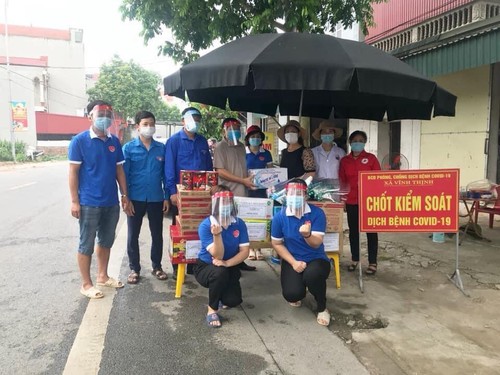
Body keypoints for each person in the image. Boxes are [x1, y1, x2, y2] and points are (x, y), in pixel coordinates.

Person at [68, 100, 129, 299]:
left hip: (110, 201)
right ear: (90, 117)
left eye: (108, 114)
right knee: (86, 243)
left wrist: (124, 195)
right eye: (100, 114)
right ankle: (86, 284)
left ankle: (102, 276)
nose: (105, 118)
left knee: (106, 241)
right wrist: (74, 201)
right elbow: (73, 173)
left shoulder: (114, 142)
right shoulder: (79, 141)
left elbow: (119, 170)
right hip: (88, 202)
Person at [271, 178, 331, 326]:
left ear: (305, 196)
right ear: (286, 195)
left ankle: (322, 307)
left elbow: (317, 243)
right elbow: (277, 243)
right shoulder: (280, 217)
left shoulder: (316, 213)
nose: (295, 197)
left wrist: (307, 235)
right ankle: (300, 288)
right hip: (293, 259)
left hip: (316, 258)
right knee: (292, 295)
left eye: (299, 194)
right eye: (292, 193)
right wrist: (293, 262)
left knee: (313, 275)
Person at [165, 107, 213, 277]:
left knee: (198, 229)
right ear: (183, 121)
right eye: (192, 118)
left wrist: (210, 188)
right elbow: (169, 168)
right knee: (180, 229)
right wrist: (171, 192)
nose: (196, 122)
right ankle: (177, 264)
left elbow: (208, 167)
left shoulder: (202, 141)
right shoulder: (174, 141)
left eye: (198, 119)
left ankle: (194, 263)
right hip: (181, 195)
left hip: (200, 196)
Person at [123, 111, 170, 284]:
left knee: (157, 234)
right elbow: (123, 176)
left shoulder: (161, 148)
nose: (149, 127)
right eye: (145, 124)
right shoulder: (128, 149)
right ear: (137, 126)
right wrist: (125, 198)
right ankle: (134, 269)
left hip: (156, 198)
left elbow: (165, 175)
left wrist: (166, 196)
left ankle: (157, 266)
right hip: (135, 198)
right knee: (132, 234)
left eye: (151, 123)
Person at [195, 185, 250, 328]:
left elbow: (245, 252)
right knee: (219, 272)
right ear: (214, 203)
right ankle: (211, 309)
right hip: (207, 266)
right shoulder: (206, 225)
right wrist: (217, 235)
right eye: (221, 201)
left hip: (228, 265)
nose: (225, 205)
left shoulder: (239, 223)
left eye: (228, 201)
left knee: (233, 301)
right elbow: (217, 255)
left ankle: (220, 294)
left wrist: (228, 263)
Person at [213, 118, 257, 271]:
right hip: (227, 193)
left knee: (239, 227)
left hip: (243, 191)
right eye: (230, 127)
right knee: (226, 227)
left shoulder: (240, 147)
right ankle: (226, 261)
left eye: (237, 127)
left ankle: (239, 260)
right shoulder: (220, 147)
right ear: (223, 130)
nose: (234, 130)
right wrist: (242, 180)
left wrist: (249, 179)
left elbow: (242, 168)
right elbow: (220, 171)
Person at [339, 130, 381, 275]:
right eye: (355, 140)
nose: (358, 142)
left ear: (364, 143)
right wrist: (343, 200)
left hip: (369, 201)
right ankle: (355, 259)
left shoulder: (371, 159)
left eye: (361, 140)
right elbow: (343, 181)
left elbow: (378, 179)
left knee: (371, 232)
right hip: (351, 201)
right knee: (353, 232)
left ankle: (372, 262)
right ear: (350, 143)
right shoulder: (345, 161)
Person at [245, 125, 273, 261]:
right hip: (248, 190)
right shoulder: (242, 153)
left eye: (257, 137)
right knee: (249, 217)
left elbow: (271, 171)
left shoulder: (266, 153)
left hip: (262, 191)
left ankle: (259, 248)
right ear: (248, 139)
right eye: (252, 137)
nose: (255, 139)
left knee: (262, 218)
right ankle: (251, 248)